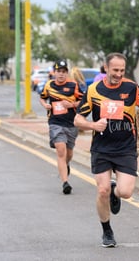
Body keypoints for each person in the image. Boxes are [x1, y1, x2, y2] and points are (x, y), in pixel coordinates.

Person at [73, 52, 139, 247]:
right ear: (106, 68)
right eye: (115, 70)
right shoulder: (93, 90)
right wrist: (93, 126)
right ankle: (107, 231)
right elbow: (78, 120)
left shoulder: (131, 88)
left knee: (126, 192)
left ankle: (115, 192)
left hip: (126, 147)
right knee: (101, 190)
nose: (119, 74)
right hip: (102, 148)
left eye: (122, 70)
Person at [39, 59, 84, 195]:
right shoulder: (49, 85)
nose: (61, 74)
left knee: (68, 153)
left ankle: (65, 165)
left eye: (64, 72)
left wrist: (71, 105)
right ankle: (65, 183)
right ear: (54, 72)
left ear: (67, 73)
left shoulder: (73, 85)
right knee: (60, 150)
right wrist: (45, 105)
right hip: (55, 122)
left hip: (71, 123)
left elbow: (83, 100)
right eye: (59, 71)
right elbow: (42, 97)